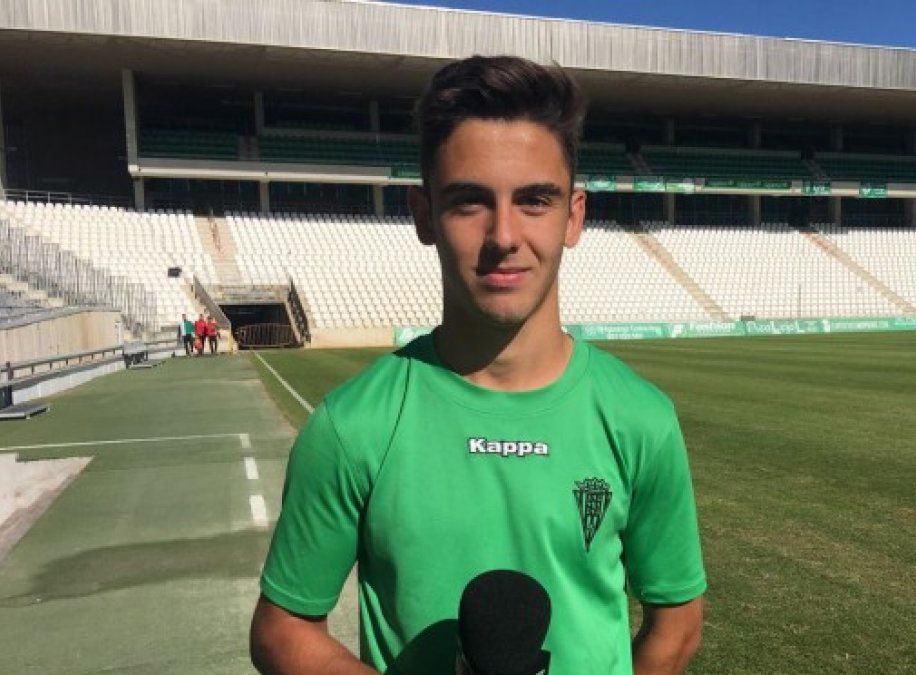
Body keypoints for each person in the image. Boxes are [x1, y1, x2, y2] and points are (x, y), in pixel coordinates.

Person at [250, 55, 706, 675]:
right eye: (469, 202)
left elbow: (676, 623)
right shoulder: (353, 427)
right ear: (422, 215)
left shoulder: (641, 419)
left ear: (573, 216)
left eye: (535, 200)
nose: (504, 236)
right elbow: (282, 631)